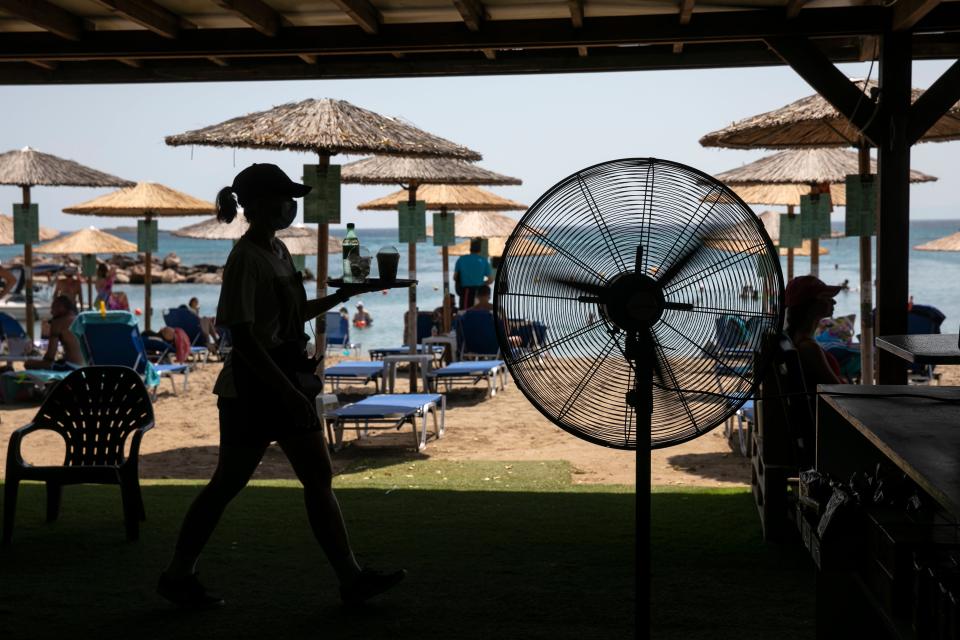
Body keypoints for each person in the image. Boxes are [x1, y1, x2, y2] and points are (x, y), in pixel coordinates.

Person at [159, 163, 402, 609]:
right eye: (282, 198)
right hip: (253, 389)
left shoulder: (279, 251)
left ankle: (351, 578)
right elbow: (244, 337)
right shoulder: (245, 259)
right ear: (255, 206)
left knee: (316, 477)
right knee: (228, 484)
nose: (290, 206)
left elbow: (289, 317)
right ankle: (178, 573)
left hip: (285, 379)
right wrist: (288, 393)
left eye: (292, 198)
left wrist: (342, 296)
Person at [784, 275, 846, 391]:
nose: (834, 301)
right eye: (826, 297)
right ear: (811, 305)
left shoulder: (795, 339)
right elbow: (840, 390)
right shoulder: (808, 348)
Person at [25, 296, 83, 370]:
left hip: (71, 367)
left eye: (53, 308)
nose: (51, 312)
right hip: (85, 366)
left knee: (28, 363)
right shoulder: (80, 320)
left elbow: (50, 356)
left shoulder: (58, 322)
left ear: (61, 307)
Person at [454, 238, 492, 310]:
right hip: (479, 292)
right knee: (478, 312)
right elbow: (490, 280)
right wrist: (481, 282)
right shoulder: (484, 261)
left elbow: (455, 277)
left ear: (470, 249)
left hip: (466, 292)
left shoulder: (461, 259)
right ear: (480, 250)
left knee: (465, 313)